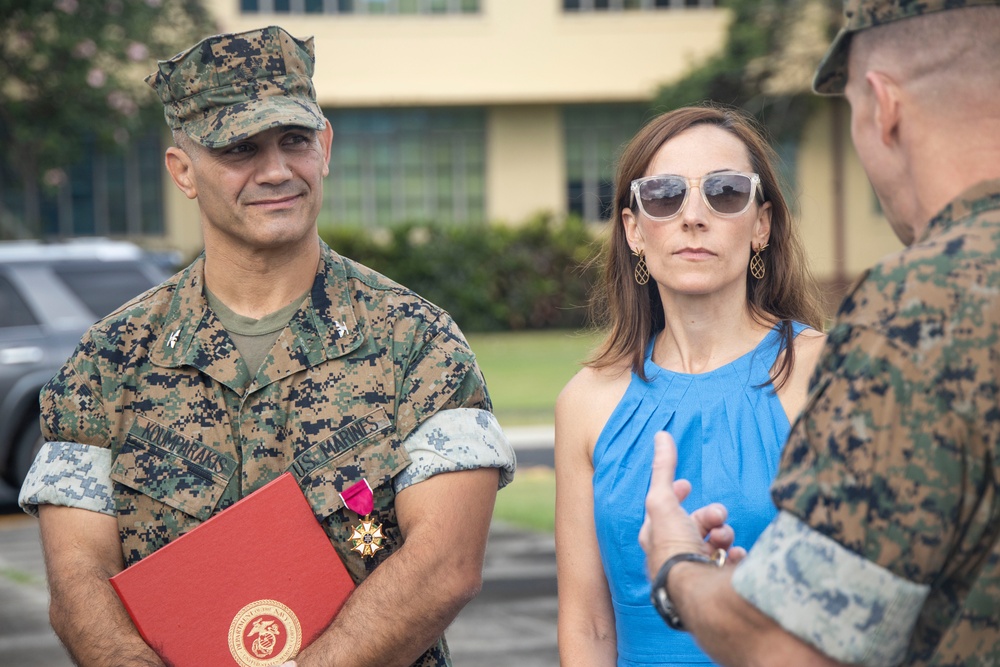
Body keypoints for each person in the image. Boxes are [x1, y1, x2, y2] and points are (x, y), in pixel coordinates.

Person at [18, 26, 515, 667]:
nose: (276, 170)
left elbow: (444, 564)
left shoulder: (415, 342)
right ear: (183, 171)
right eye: (240, 148)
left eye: (294, 141)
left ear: (325, 146)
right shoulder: (110, 360)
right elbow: (78, 575)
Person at [639, 1, 1000, 665]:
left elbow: (793, 644)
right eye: (664, 196)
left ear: (883, 107)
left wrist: (678, 565)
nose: (693, 217)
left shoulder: (920, 309)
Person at [555, 104, 827, 666]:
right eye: (664, 195)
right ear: (633, 229)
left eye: (725, 192)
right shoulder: (585, 402)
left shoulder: (823, 375)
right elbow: (587, 625)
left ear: (762, 224)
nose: (693, 216)